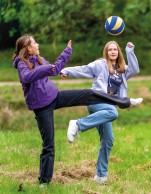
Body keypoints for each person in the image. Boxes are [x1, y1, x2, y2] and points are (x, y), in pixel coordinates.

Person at [13, 35, 142, 186]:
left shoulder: (40, 60)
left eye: (115, 49)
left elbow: (54, 69)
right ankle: (44, 182)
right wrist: (54, 69)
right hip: (42, 105)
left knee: (91, 100)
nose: (38, 44)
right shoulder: (22, 64)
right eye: (35, 43)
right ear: (29, 48)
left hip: (55, 96)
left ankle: (125, 102)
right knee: (49, 144)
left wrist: (66, 52)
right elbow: (28, 77)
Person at [60, 40, 140, 184]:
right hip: (96, 101)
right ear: (106, 52)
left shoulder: (122, 69)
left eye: (115, 49)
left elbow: (135, 70)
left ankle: (100, 176)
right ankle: (78, 124)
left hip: (108, 106)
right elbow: (83, 69)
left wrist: (130, 51)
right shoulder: (100, 65)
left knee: (108, 140)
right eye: (110, 50)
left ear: (118, 52)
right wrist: (66, 70)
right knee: (113, 113)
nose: (113, 52)